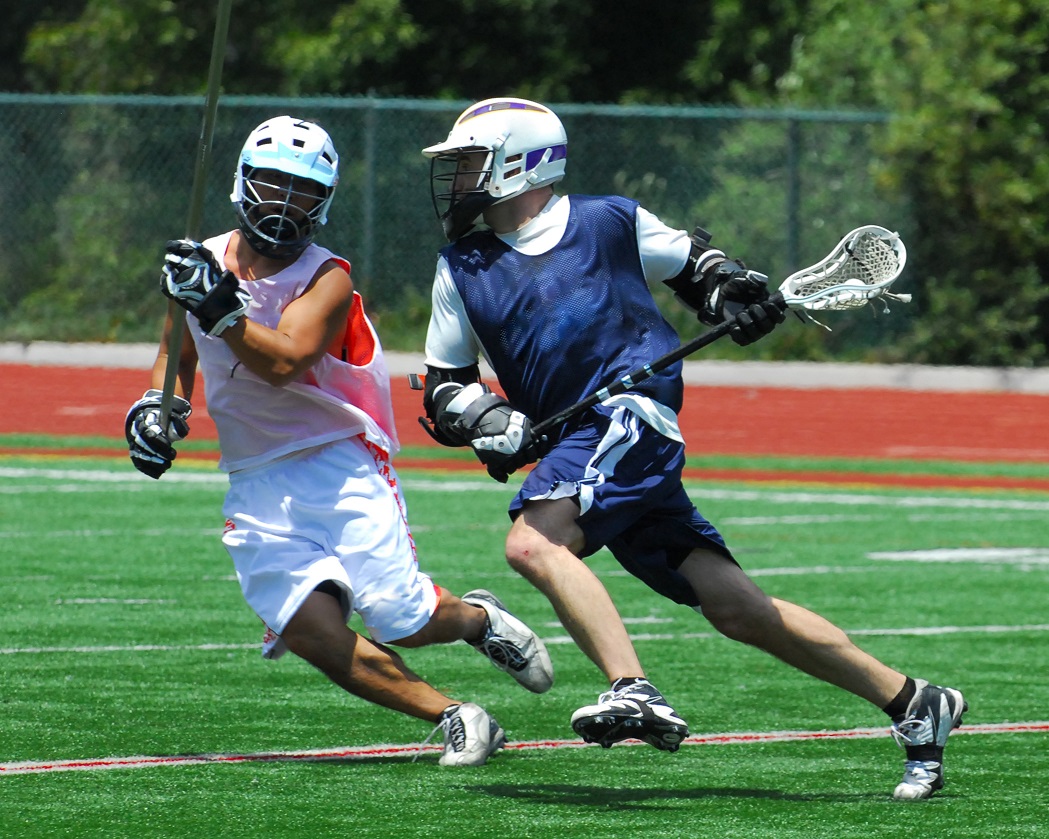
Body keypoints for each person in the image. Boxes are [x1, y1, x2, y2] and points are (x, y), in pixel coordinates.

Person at [416, 97, 966, 799]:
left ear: (519, 162)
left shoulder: (606, 220)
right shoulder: (460, 266)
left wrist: (735, 299)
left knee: (531, 542)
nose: (457, 179)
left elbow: (702, 269)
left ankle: (631, 687)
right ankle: (913, 701)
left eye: (469, 163)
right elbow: (443, 386)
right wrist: (487, 416)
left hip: (631, 416)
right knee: (737, 609)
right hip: (579, 440)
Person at [123, 115, 554, 768]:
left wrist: (218, 307)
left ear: (322, 202)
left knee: (401, 619)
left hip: (339, 463)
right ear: (243, 183)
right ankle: (456, 716)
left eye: (302, 190)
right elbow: (174, 352)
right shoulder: (201, 265)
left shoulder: (328, 277)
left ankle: (476, 619)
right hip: (256, 479)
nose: (284, 202)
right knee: (309, 630)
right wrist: (157, 408)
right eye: (272, 184)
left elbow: (285, 359)